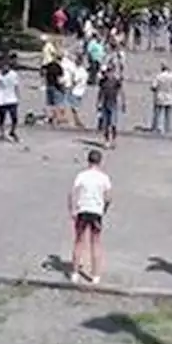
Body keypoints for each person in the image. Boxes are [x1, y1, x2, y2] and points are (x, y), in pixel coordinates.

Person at [68, 149, 112, 285]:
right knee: (96, 243)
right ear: (100, 161)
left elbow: (72, 193)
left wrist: (72, 210)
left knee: (79, 241)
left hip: (83, 210)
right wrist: (104, 208)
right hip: (96, 211)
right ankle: (95, 275)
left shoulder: (81, 175)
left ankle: (75, 273)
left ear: (88, 161)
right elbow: (109, 197)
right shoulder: (104, 177)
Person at [96, 67, 125, 149]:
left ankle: (113, 140)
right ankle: (107, 141)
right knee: (105, 124)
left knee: (113, 124)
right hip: (105, 104)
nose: (108, 74)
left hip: (113, 104)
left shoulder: (116, 81)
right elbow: (100, 92)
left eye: (110, 72)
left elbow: (121, 92)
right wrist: (98, 103)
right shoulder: (102, 81)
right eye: (107, 73)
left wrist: (123, 103)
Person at [0, 59, 21, 142]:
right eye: (3, 66)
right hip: (1, 99)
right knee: (2, 118)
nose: (5, 68)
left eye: (7, 66)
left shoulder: (14, 74)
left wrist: (18, 96)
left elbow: (16, 86)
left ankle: (12, 131)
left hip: (12, 99)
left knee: (14, 118)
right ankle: (2, 134)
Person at [150, 63, 172, 135]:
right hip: (169, 97)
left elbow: (153, 86)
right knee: (168, 115)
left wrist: (155, 90)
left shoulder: (158, 76)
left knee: (157, 113)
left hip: (159, 96)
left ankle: (156, 127)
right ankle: (167, 128)